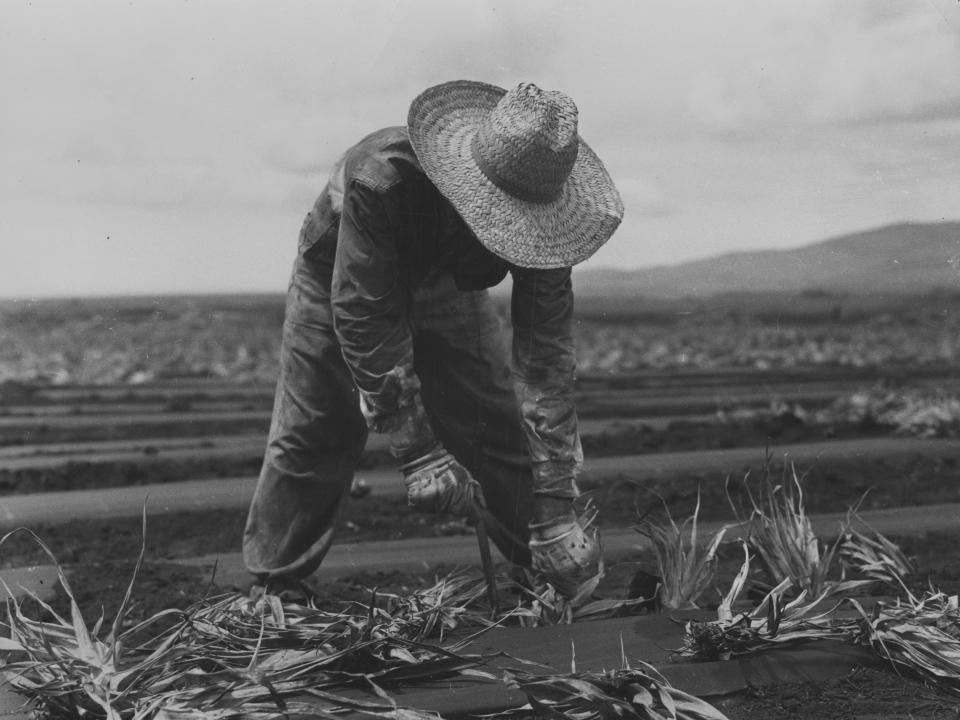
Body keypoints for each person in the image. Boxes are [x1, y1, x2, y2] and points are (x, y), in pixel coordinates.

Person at [242, 80, 624, 599]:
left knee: (495, 422)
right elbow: (363, 312)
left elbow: (546, 361)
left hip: (444, 284)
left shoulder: (550, 222)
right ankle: (276, 585)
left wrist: (555, 500)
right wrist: (418, 449)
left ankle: (541, 565)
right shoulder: (383, 177)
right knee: (317, 428)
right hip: (337, 277)